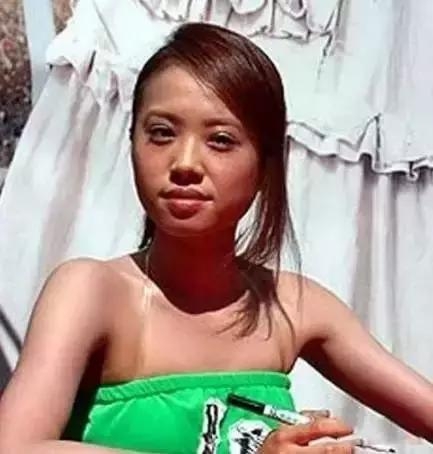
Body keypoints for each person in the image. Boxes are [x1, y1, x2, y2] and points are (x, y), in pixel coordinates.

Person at [0, 22, 432, 454]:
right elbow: (16, 445)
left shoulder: (292, 307)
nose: (185, 163)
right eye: (161, 133)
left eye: (221, 140)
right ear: (132, 144)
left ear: (265, 166)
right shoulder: (92, 292)